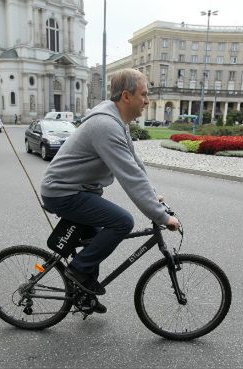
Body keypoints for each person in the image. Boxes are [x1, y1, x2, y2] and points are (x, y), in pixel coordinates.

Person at [40, 68, 180, 313]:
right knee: (122, 222)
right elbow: (130, 178)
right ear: (126, 96)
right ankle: (77, 271)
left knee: (95, 240)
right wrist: (162, 216)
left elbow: (136, 166)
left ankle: (82, 295)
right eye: (144, 95)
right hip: (63, 192)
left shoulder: (117, 122)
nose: (147, 101)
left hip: (78, 190)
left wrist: (154, 195)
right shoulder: (106, 126)